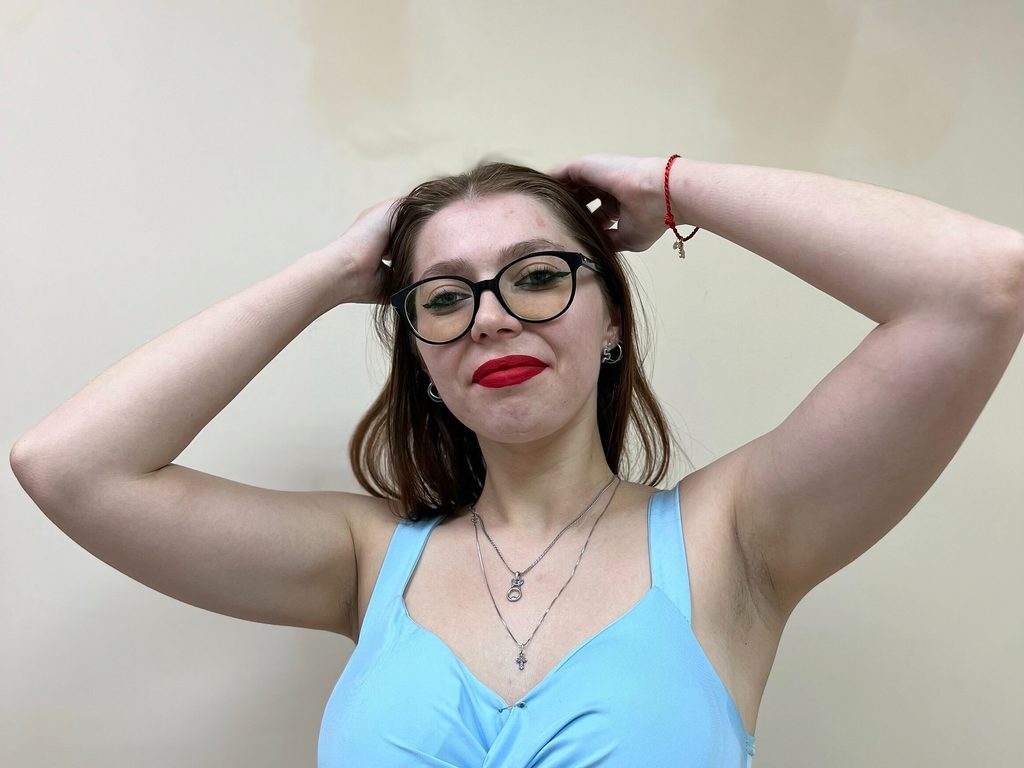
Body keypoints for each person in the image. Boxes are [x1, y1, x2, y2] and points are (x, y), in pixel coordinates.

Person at [10, 153, 1023, 767]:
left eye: (537, 277)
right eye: (446, 297)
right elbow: (67, 465)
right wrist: (335, 271)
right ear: (421, 357)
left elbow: (981, 284)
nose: (491, 318)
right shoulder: (365, 559)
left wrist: (668, 187)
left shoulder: (733, 539)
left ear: (612, 321)